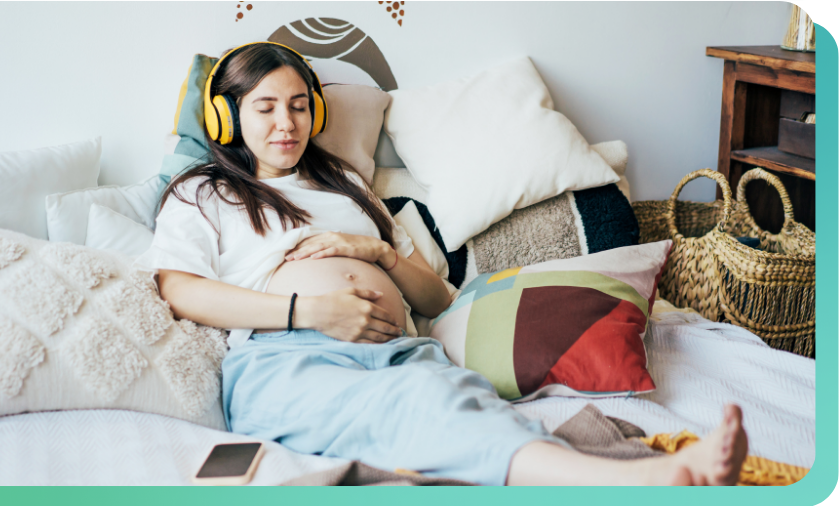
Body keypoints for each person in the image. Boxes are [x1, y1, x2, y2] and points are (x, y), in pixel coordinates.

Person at [135, 42, 748, 486]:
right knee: (418, 408)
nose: (285, 123)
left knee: (456, 401)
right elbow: (179, 289)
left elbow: (438, 301)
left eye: (299, 106)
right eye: (265, 107)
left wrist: (378, 252)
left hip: (401, 352)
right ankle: (635, 483)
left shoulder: (345, 184)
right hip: (288, 358)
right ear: (226, 116)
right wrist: (309, 309)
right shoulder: (204, 191)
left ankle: (604, 475)